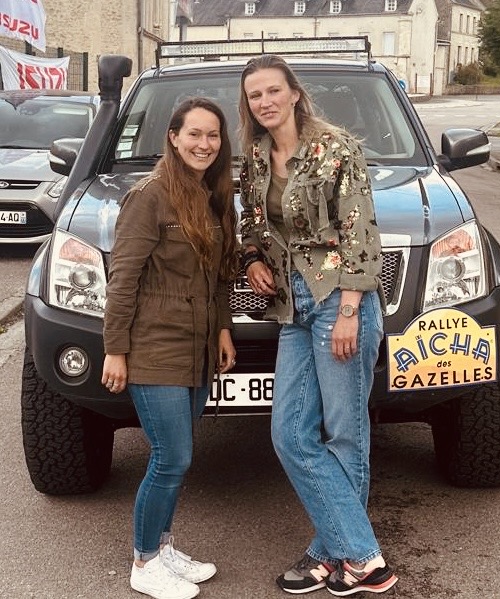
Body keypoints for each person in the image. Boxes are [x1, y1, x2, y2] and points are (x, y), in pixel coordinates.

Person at [238, 55, 398, 596]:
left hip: (338, 299)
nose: (265, 101)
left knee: (345, 433)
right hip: (292, 307)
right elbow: (251, 222)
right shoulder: (255, 157)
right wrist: (251, 260)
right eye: (255, 95)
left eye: (273, 90)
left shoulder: (336, 148)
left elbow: (361, 233)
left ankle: (335, 557)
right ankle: (359, 557)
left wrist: (350, 311)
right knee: (288, 434)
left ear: (293, 93)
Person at [101, 97, 238, 599]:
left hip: (196, 346)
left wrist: (222, 331)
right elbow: (123, 279)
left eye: (213, 135)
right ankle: (144, 561)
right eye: (194, 134)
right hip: (154, 345)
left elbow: (218, 277)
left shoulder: (212, 195)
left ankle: (162, 546)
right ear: (174, 138)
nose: (204, 144)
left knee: (177, 457)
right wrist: (115, 349)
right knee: (171, 457)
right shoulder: (149, 196)